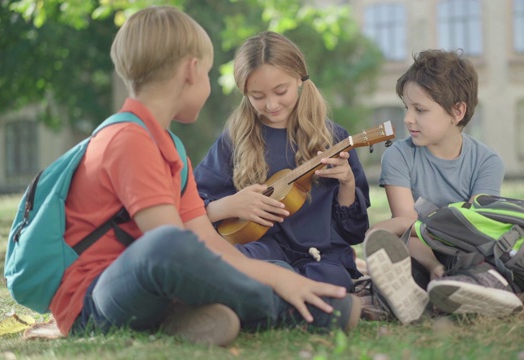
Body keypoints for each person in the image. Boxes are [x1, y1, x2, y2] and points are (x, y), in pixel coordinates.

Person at [49, 6, 361, 347]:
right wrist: (273, 279)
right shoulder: (128, 139)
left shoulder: (170, 147)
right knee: (172, 245)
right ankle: (295, 311)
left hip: (150, 288)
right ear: (191, 70)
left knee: (233, 258)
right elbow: (173, 248)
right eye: (210, 73)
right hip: (93, 299)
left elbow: (209, 243)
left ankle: (183, 318)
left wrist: (281, 277)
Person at [193, 31, 370, 292]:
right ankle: (282, 291)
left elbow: (353, 232)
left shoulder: (334, 138)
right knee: (238, 263)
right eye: (257, 96)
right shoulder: (235, 139)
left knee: (334, 281)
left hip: (320, 255)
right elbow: (192, 206)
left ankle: (274, 296)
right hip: (262, 251)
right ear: (245, 93)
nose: (271, 104)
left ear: (299, 77)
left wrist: (347, 183)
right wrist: (231, 205)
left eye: (280, 91)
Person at [360, 49, 522, 324]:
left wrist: (403, 226)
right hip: (419, 252)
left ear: (457, 112)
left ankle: (462, 290)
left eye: (420, 110)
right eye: (407, 108)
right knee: (400, 266)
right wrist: (434, 265)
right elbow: (409, 229)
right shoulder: (399, 157)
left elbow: (477, 230)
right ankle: (426, 296)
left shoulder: (487, 162)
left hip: (467, 252)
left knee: (486, 260)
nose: (408, 119)